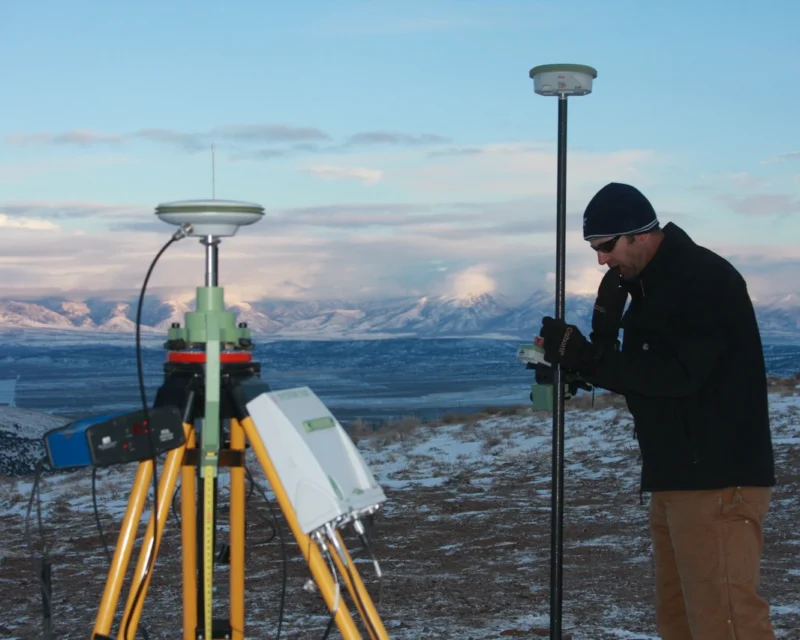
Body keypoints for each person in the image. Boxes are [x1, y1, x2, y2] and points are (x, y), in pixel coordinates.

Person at [538, 182, 777, 640]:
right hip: (677, 477)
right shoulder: (648, 287)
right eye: (594, 249)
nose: (601, 260)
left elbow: (677, 375)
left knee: (725, 623)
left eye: (605, 246)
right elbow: (644, 376)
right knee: (680, 622)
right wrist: (589, 352)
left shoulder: (703, 279)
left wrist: (589, 358)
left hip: (716, 479)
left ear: (640, 234)